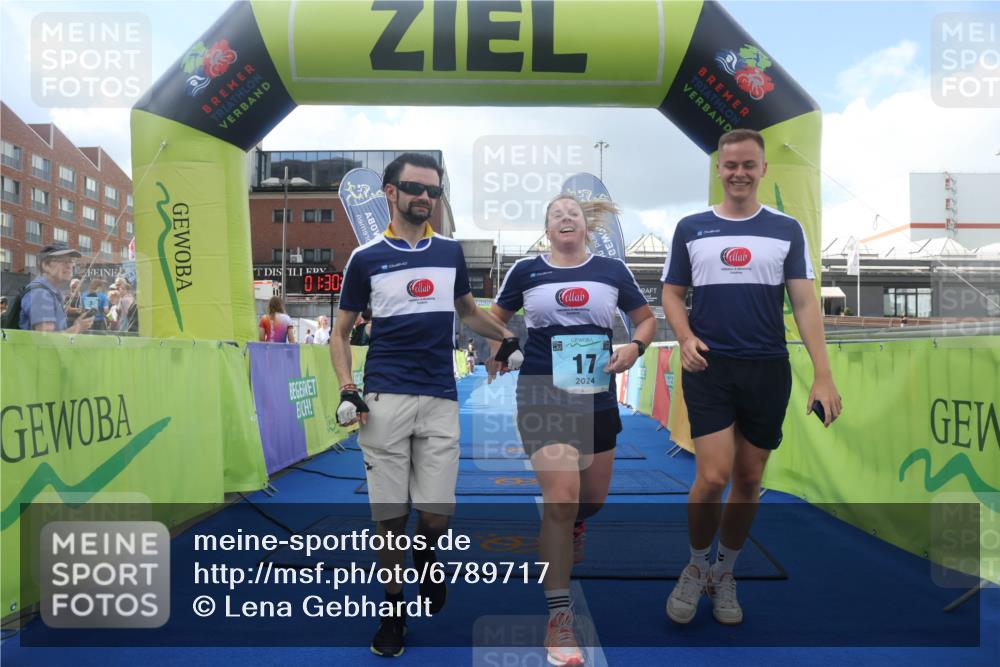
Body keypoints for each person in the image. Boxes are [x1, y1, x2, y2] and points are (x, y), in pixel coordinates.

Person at [329, 152, 522, 658]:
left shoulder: (450, 254)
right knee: (390, 517)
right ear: (390, 193)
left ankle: (427, 553)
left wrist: (506, 337)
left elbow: (469, 314)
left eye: (433, 191)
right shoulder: (365, 257)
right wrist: (348, 386)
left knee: (436, 515)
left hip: (440, 398)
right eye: (415, 188)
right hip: (384, 398)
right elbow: (341, 332)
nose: (425, 198)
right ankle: (393, 610)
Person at [661, 128, 841, 627]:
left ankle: (726, 571)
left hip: (767, 369)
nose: (738, 173)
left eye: (748, 165)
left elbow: (805, 304)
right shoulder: (691, 227)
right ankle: (696, 566)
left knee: (748, 478)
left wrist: (823, 375)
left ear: (763, 170)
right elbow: (672, 294)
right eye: (730, 164)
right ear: (719, 170)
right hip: (709, 367)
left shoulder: (786, 229)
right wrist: (684, 336)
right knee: (712, 476)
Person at [489, 194, 655, 667]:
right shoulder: (525, 271)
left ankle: (578, 522)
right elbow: (495, 319)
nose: (566, 218)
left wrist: (636, 348)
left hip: (597, 395)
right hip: (543, 391)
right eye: (557, 214)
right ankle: (559, 620)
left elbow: (645, 319)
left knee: (591, 499)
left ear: (586, 227)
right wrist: (500, 346)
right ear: (547, 229)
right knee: (561, 496)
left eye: (573, 214)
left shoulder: (612, 271)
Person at [18, 242, 93, 333]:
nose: (70, 266)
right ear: (46, 265)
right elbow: (48, 340)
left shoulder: (50, 292)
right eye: (63, 261)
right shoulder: (41, 294)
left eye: (71, 261)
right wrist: (78, 327)